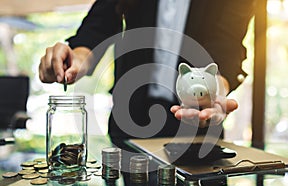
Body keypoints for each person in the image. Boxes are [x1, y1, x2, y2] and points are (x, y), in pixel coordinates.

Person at [39, 0, 255, 148]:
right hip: (130, 118)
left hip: (197, 132)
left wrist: (213, 90)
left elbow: (228, 46)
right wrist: (75, 58)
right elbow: (99, 25)